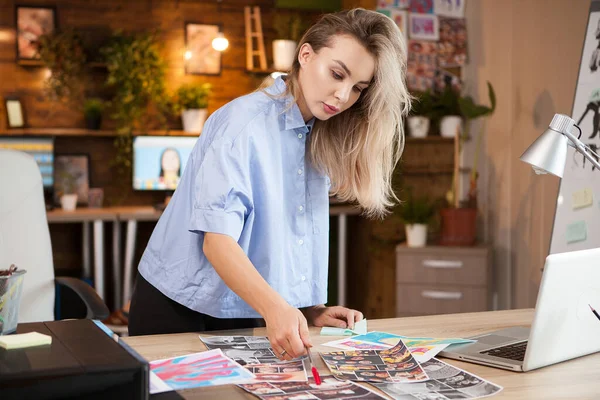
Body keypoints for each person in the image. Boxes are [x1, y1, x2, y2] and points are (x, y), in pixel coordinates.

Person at [128, 8, 411, 363]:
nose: (342, 95)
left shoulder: (317, 134)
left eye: (358, 88)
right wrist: (277, 309)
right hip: (179, 309)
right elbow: (218, 241)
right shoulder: (243, 125)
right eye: (337, 74)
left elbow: (288, 238)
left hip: (244, 310)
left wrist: (309, 310)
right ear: (305, 55)